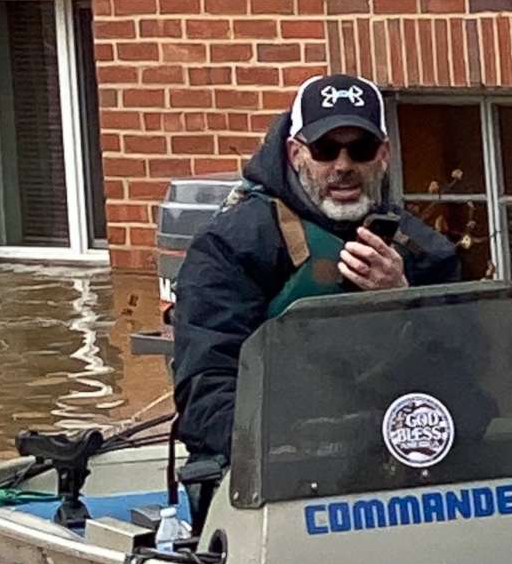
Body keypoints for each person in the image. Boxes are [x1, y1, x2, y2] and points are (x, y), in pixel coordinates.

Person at [171, 73, 460, 464]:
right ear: (295, 153)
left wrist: (403, 302)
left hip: (396, 459)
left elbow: (467, 382)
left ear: (384, 154)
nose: (343, 166)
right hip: (279, 463)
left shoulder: (425, 252)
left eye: (361, 149)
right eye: (325, 149)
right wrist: (284, 454)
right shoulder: (231, 245)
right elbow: (207, 392)